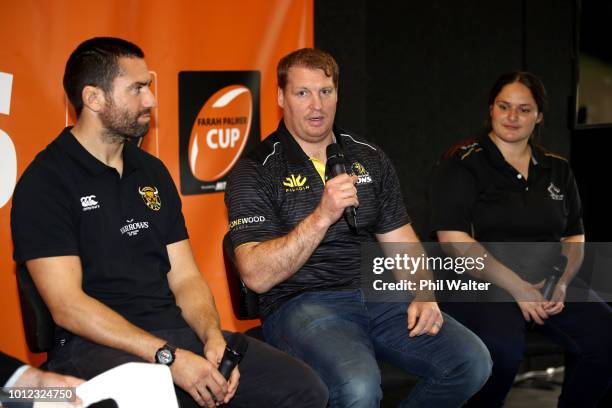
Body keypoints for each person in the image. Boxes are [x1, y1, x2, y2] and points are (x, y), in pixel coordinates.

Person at [10, 37, 327, 408]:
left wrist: (212, 339)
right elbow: (67, 305)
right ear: (94, 98)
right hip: (94, 348)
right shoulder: (45, 181)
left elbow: (185, 277)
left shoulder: (151, 170)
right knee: (159, 397)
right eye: (137, 89)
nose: (151, 100)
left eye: (149, 87)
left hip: (175, 335)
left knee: (305, 389)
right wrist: (168, 358)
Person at [224, 48, 492, 407]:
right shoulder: (255, 170)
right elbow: (255, 275)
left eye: (326, 92)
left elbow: (403, 242)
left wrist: (424, 293)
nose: (316, 105)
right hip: (301, 304)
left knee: (471, 362)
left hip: (377, 294)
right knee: (359, 387)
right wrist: (323, 214)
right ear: (280, 98)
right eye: (302, 93)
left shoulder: (369, 157)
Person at [429, 71, 612, 407]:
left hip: (546, 282)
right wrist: (517, 288)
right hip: (482, 283)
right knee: (500, 354)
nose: (512, 117)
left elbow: (574, 236)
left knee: (605, 339)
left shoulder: (557, 168)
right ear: (491, 109)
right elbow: (453, 239)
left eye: (524, 109)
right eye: (504, 106)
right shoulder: (463, 161)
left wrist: (560, 282)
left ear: (539, 115)